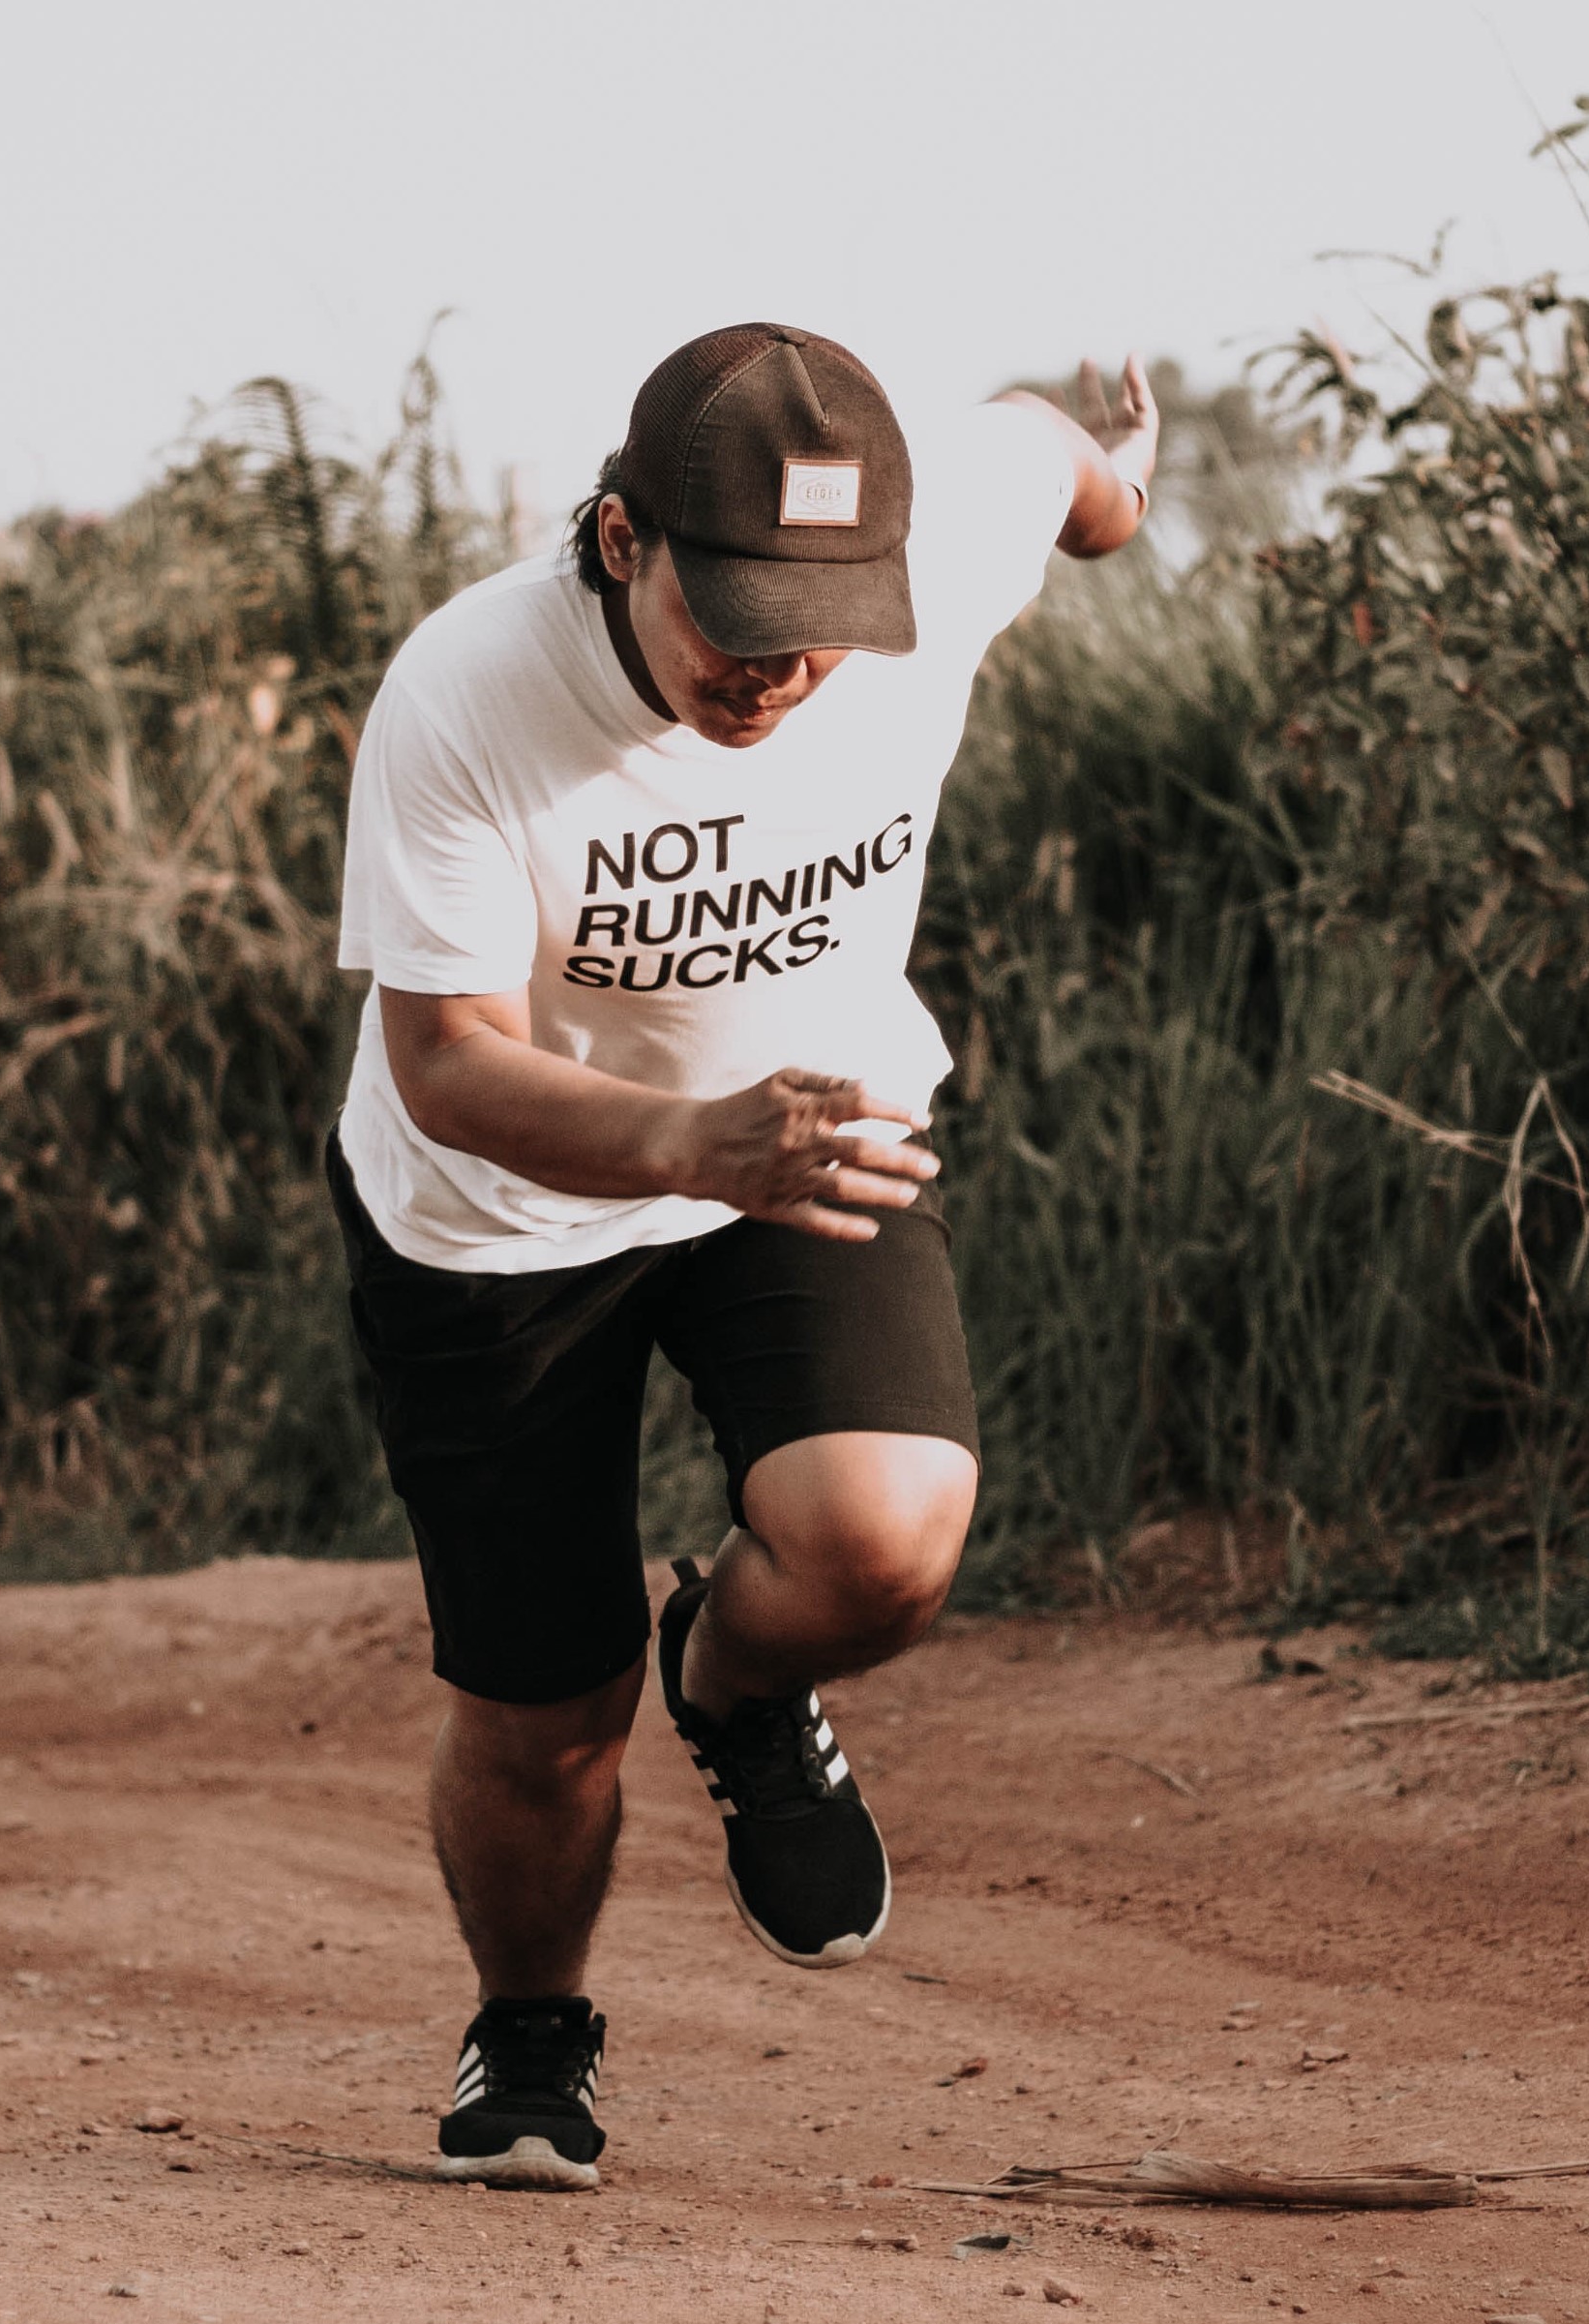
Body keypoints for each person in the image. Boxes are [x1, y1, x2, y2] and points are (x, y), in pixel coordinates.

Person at [327, 320, 1158, 2189]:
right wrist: (691, 1141)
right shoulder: (466, 692)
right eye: (736, 619)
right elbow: (446, 1063)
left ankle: (736, 1677)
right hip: (501, 1216)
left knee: (883, 1542)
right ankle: (529, 2033)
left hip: (796, 1142)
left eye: (819, 619)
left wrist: (1119, 480)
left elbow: (1055, 460)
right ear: (622, 542)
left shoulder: (926, 557)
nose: (779, 665)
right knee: (545, 1710)